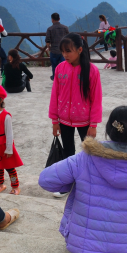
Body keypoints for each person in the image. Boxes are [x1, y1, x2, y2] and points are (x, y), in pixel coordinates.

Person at [38, 106, 127, 253]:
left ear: (108, 129)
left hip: (84, 247)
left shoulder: (84, 158)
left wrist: (72, 184)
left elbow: (45, 180)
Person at [50, 33, 103, 163]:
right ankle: (71, 178)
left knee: (90, 152)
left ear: (80, 49)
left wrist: (93, 124)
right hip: (64, 119)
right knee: (68, 152)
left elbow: (96, 98)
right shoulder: (60, 69)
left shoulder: (92, 70)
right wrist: (54, 121)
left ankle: (90, 178)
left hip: (85, 120)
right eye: (62, 51)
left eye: (68, 51)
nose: (65, 55)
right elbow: (55, 95)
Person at [45, 12, 69, 81]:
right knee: (64, 65)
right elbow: (68, 38)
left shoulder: (50, 29)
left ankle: (55, 78)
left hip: (54, 50)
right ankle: (64, 77)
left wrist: (48, 47)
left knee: (54, 66)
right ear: (59, 19)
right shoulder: (65, 28)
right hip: (63, 50)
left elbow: (48, 40)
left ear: (52, 19)